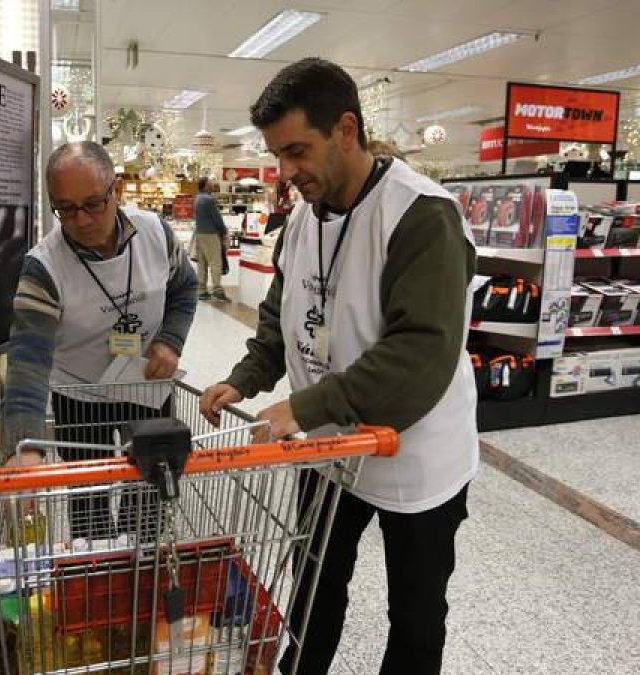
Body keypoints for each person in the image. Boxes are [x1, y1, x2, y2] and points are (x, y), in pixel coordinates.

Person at [198, 58, 477, 675]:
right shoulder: (302, 219)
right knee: (314, 588)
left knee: (414, 613)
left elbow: (420, 355)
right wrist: (245, 378)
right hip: (326, 450)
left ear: (346, 129)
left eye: (298, 150)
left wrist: (302, 408)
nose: (287, 172)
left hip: (412, 453)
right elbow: (281, 314)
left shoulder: (420, 216)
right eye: (277, 155)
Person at [3, 141, 199, 540]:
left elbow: (185, 289)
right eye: (66, 209)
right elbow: (28, 363)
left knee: (148, 495)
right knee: (88, 501)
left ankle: (144, 570)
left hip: (145, 383)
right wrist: (25, 446)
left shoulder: (156, 234)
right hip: (80, 396)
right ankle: (98, 582)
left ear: (118, 190)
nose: (82, 220)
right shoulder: (43, 268)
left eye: (93, 203)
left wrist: (170, 341)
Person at [192, 177, 228, 301]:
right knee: (215, 261)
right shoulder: (209, 200)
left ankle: (201, 290)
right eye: (211, 183)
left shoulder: (197, 198)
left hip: (199, 233)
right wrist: (223, 231)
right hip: (210, 234)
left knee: (202, 262)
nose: (213, 185)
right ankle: (217, 290)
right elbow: (217, 218)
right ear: (206, 186)